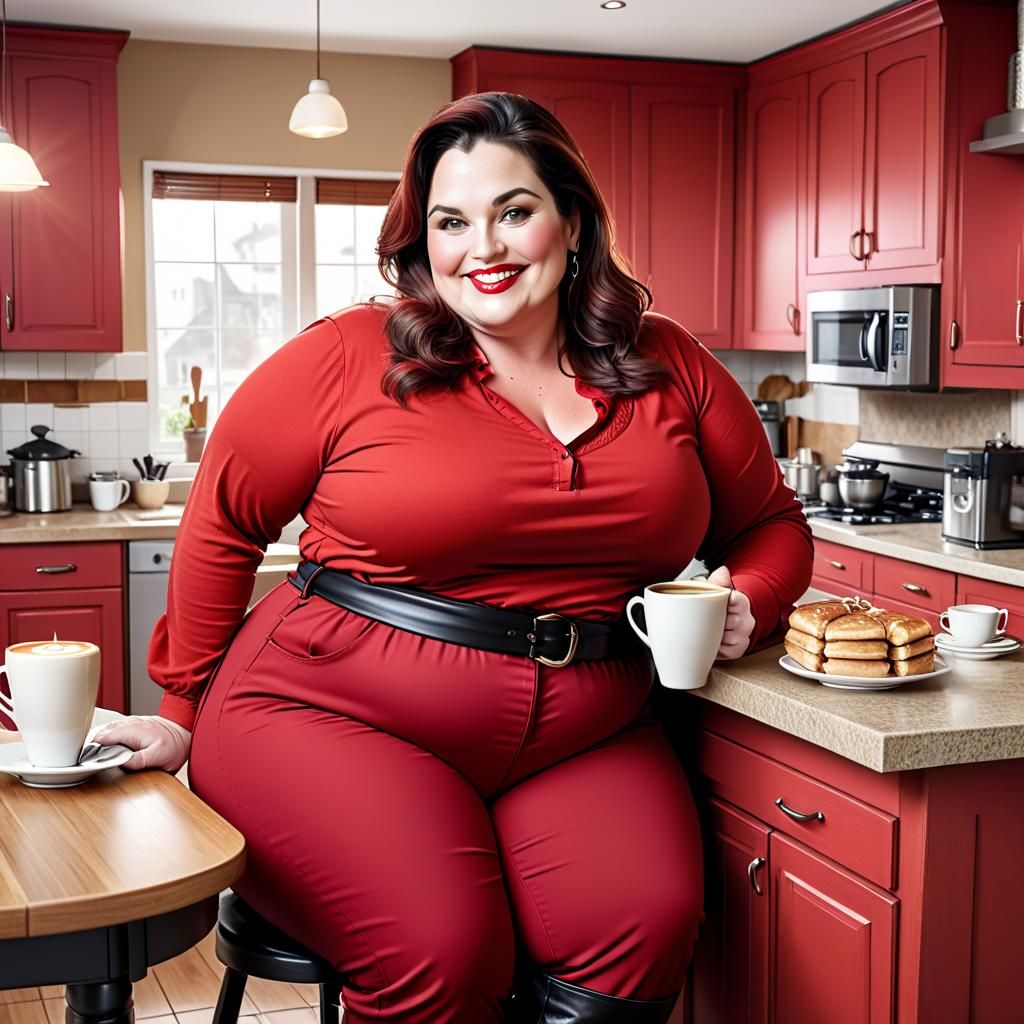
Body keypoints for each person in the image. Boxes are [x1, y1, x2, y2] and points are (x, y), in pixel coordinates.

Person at [94, 92, 813, 1023]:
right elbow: (222, 520)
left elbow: (772, 525)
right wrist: (183, 709)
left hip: (587, 731)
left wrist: (752, 597)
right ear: (422, 240)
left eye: (514, 211)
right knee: (442, 951)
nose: (485, 247)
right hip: (329, 715)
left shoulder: (671, 362)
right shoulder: (346, 355)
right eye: (451, 222)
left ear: (572, 221)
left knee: (643, 931)